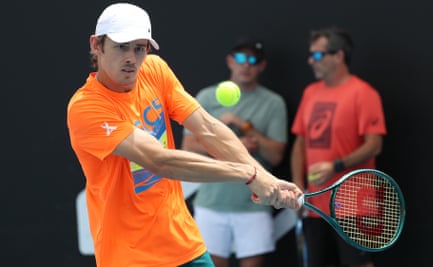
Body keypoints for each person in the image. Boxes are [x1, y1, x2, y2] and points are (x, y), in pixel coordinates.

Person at [66, 3, 302, 267]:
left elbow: (208, 128)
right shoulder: (86, 108)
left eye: (139, 48)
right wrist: (250, 175)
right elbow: (160, 161)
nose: (132, 58)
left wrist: (267, 178)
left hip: (184, 245)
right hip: (129, 256)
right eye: (122, 46)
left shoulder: (154, 70)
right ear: (97, 45)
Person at [181, 38, 288, 267]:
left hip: (253, 203)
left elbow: (276, 156)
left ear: (261, 66)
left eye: (253, 60)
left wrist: (244, 126)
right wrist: (235, 144)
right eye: (241, 58)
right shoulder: (207, 97)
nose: (246, 65)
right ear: (230, 61)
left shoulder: (273, 102)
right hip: (211, 202)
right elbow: (188, 146)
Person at [290, 26, 387, 267]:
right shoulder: (310, 93)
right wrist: (297, 183)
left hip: (355, 206)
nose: (310, 60)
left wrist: (336, 166)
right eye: (311, 54)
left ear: (339, 56)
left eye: (318, 55)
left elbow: (374, 145)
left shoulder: (363, 93)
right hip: (315, 206)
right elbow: (300, 142)